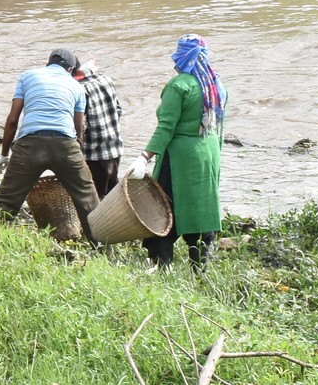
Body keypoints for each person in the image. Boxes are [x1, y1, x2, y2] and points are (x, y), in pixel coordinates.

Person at [136, 34, 224, 267]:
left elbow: (166, 128)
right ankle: (201, 266)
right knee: (203, 204)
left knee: (165, 206)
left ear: (182, 56)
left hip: (181, 158)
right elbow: (217, 124)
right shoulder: (215, 85)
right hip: (209, 151)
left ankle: (161, 264)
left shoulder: (179, 86)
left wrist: (144, 157)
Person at [0, 48, 100, 234]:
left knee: (7, 200)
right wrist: (77, 158)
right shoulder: (77, 86)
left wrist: (4, 155)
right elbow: (78, 130)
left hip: (29, 144)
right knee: (87, 199)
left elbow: (12, 120)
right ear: (71, 70)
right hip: (65, 144)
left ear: (48, 62)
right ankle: (102, 247)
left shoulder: (27, 77)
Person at [71, 57, 125, 197]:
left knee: (95, 196)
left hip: (94, 153)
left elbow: (82, 126)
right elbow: (118, 111)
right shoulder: (105, 79)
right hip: (115, 148)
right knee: (113, 194)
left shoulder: (78, 89)